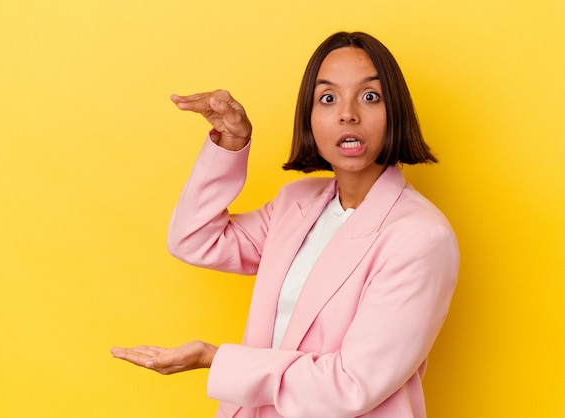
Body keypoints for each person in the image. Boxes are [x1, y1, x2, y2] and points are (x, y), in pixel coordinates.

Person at [112, 31, 459, 418]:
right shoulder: (297, 203)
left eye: (370, 96)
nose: (348, 113)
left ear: (396, 110)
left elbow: (351, 386)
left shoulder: (422, 237)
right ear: (309, 118)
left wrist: (216, 359)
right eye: (328, 98)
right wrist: (231, 143)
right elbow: (193, 239)